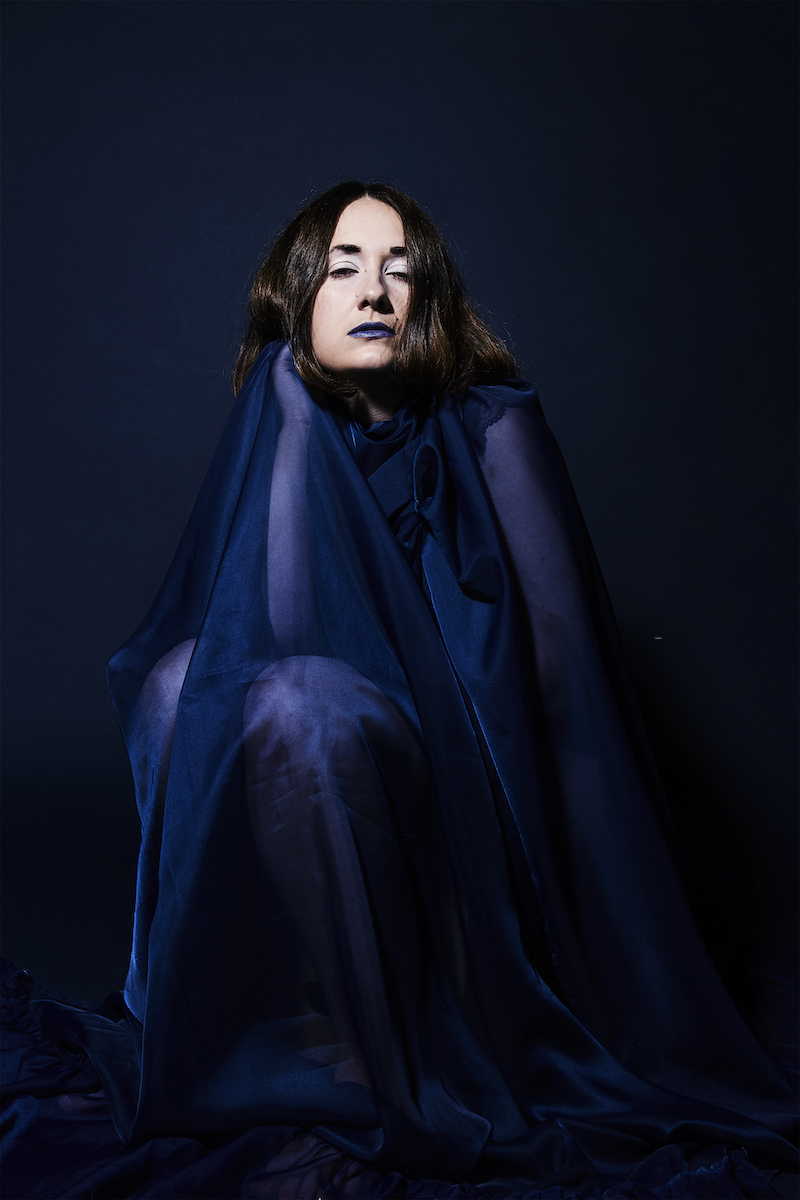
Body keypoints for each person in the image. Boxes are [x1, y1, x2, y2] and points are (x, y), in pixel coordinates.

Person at [2, 181, 797, 1199]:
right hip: (323, 762)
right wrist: (289, 411)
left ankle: (385, 1050)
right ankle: (258, 1009)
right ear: (294, 299)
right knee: (174, 684)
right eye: (342, 270)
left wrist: (413, 688)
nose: (374, 291)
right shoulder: (288, 424)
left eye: (398, 270)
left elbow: (556, 676)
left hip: (474, 784)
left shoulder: (492, 425)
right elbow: (278, 633)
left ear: (429, 299)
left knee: (298, 705)